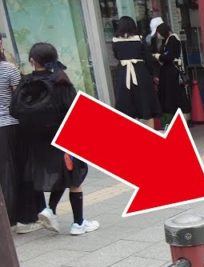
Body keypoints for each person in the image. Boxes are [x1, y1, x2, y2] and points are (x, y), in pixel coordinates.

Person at [12, 43, 98, 235]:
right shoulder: (60, 81)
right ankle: (78, 223)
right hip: (61, 137)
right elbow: (74, 110)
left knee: (40, 175)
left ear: (32, 61)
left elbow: (14, 110)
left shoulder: (25, 83)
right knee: (73, 177)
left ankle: (47, 210)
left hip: (34, 140)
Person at [112, 16, 161, 128]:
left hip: (124, 75)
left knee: (126, 106)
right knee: (146, 105)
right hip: (140, 73)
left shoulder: (115, 41)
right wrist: (154, 74)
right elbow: (148, 58)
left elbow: (117, 56)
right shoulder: (139, 39)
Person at [0, 36, 21, 228]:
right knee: (10, 171)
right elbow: (19, 98)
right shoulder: (8, 69)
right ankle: (12, 217)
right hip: (8, 124)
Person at [155, 23, 186, 125]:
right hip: (166, 71)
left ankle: (173, 119)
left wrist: (158, 56)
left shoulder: (173, 39)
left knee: (171, 95)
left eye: (159, 33)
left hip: (171, 71)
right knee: (167, 95)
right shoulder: (167, 40)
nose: (158, 35)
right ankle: (169, 119)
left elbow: (169, 56)